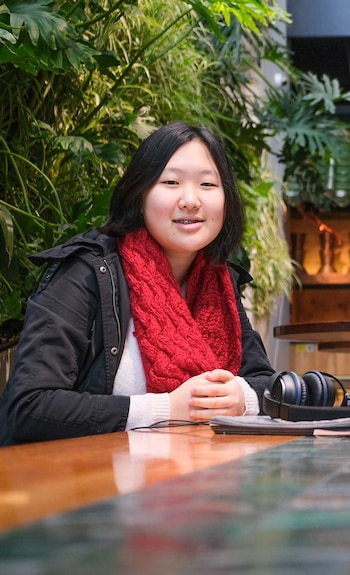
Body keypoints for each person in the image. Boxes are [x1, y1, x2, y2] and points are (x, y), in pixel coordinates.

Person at [0, 122, 275, 445]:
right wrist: (167, 407)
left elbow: (266, 383)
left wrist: (242, 397)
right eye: (171, 182)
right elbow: (28, 408)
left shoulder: (218, 279)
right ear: (139, 193)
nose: (190, 200)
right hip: (87, 484)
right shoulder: (86, 272)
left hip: (200, 478)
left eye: (207, 184)